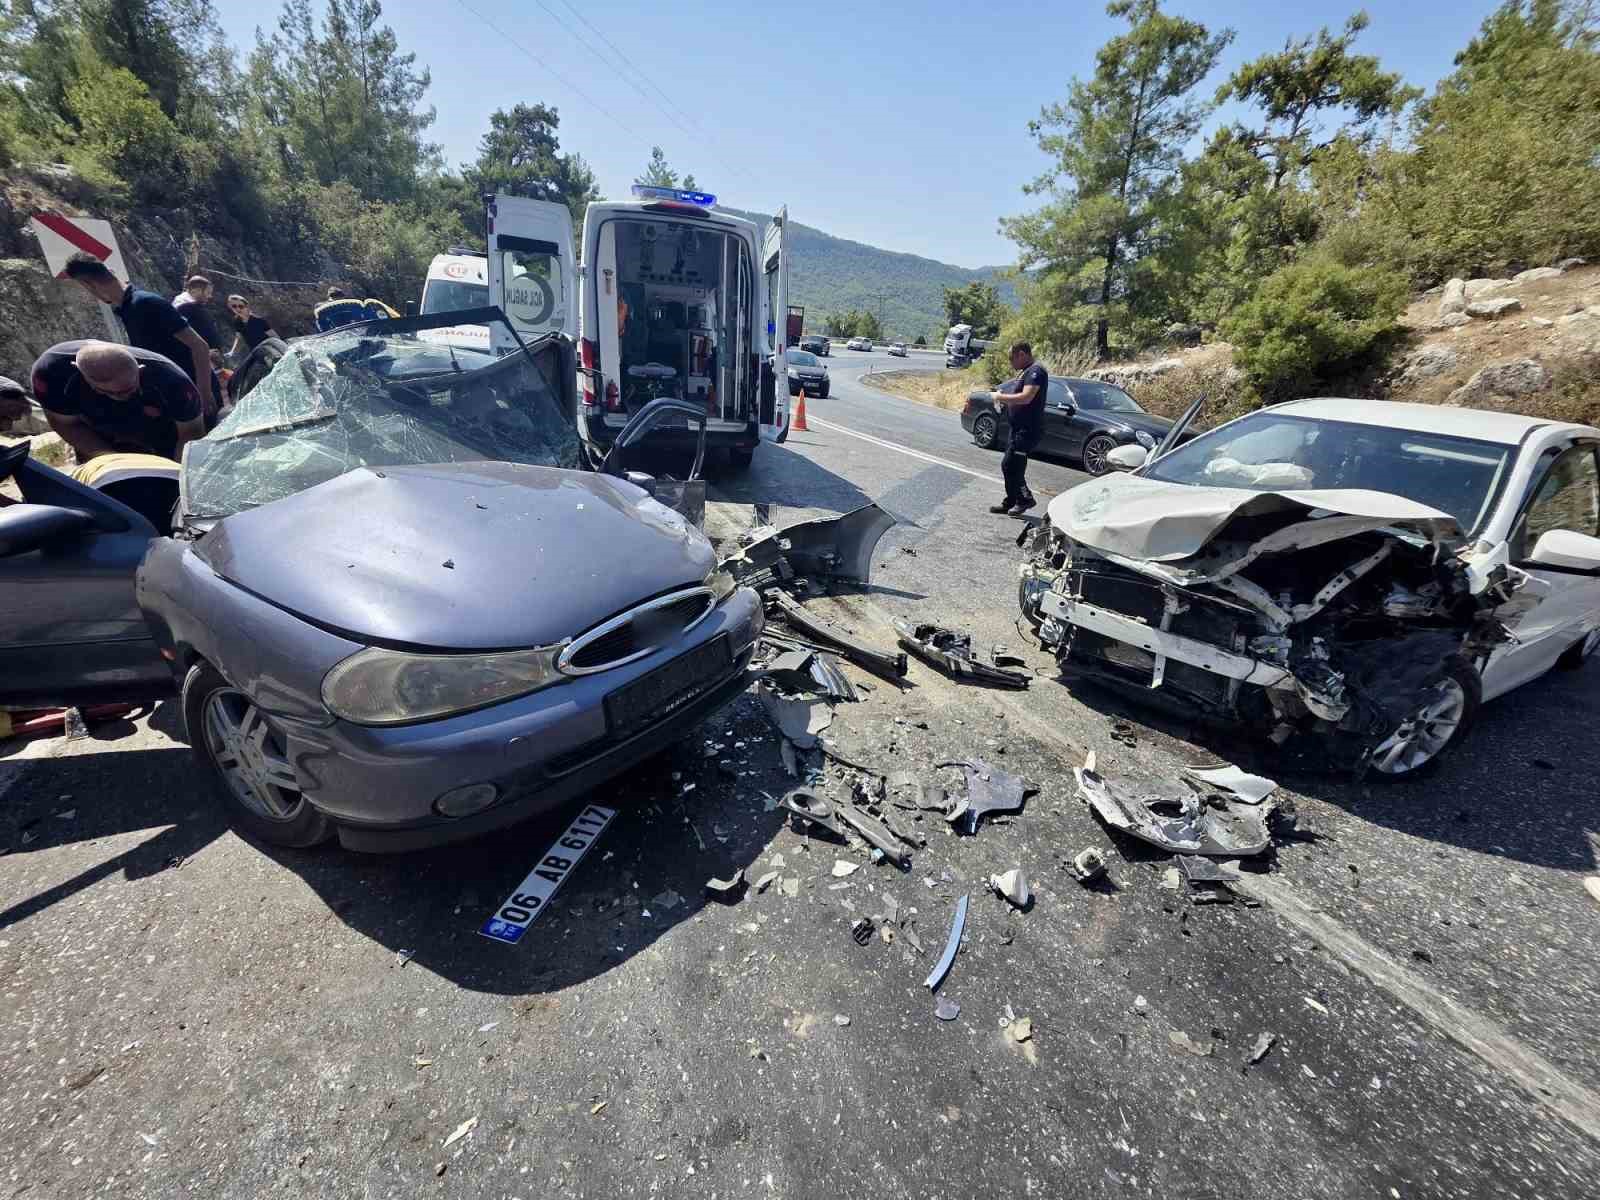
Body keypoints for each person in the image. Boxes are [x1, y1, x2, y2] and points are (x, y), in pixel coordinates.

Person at [62, 254, 220, 420]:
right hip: (176, 395)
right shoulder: (127, 309)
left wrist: (205, 393)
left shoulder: (146, 303)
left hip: (195, 397)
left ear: (89, 285)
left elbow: (199, 346)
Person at [30, 340, 204, 463]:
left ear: (140, 370)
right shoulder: (51, 374)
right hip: (96, 427)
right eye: (106, 391)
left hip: (161, 427)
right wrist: (112, 459)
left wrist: (178, 473)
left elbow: (191, 434)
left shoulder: (172, 380)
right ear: (79, 373)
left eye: (128, 390)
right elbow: (65, 424)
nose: (120, 396)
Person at [988, 342, 1048, 516]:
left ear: (1021, 354)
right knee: (1010, 465)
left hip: (1027, 429)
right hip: (1017, 428)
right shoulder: (1025, 372)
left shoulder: (1036, 371)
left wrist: (1001, 397)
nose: (1010, 363)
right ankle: (1011, 500)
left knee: (1012, 465)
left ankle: (1025, 499)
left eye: (1011, 358)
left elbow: (1026, 397)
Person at [172, 274, 224, 350]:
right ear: (196, 291)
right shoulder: (184, 307)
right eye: (208, 292)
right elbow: (182, 334)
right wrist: (206, 352)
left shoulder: (193, 306)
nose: (210, 296)